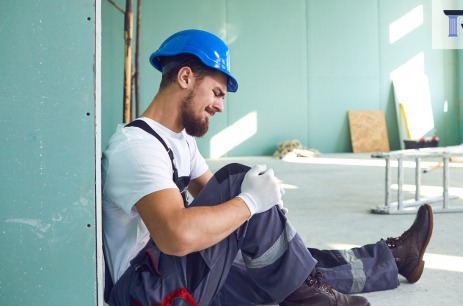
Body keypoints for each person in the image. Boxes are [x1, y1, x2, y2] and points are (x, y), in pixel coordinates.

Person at [102, 29, 434, 306]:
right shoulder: (137, 147)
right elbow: (177, 235)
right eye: (217, 93)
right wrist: (252, 202)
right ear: (186, 77)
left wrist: (267, 211)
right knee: (239, 184)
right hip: (145, 290)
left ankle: (394, 258)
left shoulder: (180, 140)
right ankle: (308, 298)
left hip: (170, 273)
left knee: (279, 267)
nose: (219, 105)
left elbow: (213, 197)